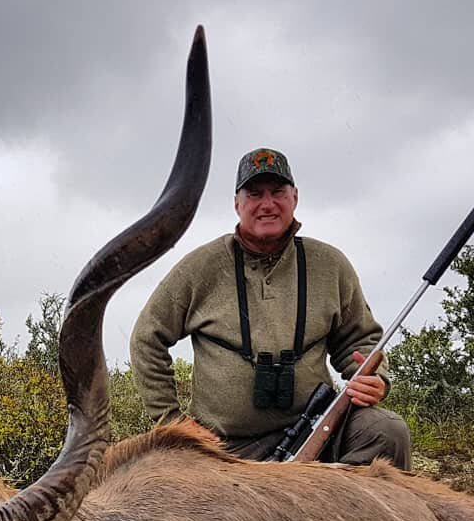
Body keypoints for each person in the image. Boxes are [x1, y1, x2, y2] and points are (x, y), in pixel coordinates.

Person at [130, 147, 411, 467]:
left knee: (387, 433)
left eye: (278, 192)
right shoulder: (200, 267)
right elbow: (146, 338)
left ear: (295, 198)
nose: (267, 204)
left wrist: (375, 379)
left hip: (315, 429)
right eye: (254, 194)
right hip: (222, 447)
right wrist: (171, 422)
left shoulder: (330, 265)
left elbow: (360, 341)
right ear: (237, 204)